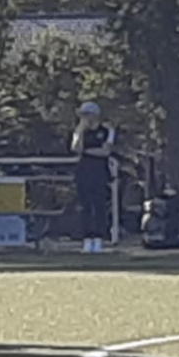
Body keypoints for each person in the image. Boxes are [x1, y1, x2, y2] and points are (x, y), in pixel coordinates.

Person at [70, 101, 116, 254]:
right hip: (84, 171)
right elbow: (76, 148)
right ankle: (86, 238)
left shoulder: (106, 130)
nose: (84, 118)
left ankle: (99, 238)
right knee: (85, 206)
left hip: (100, 172)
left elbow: (105, 151)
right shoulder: (80, 132)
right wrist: (79, 131)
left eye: (86, 115)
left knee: (99, 206)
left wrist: (87, 151)